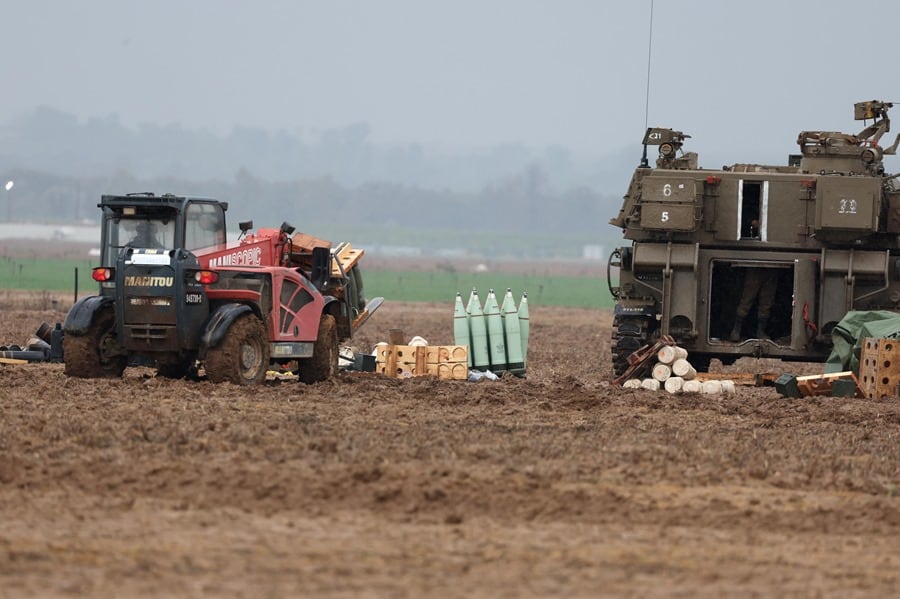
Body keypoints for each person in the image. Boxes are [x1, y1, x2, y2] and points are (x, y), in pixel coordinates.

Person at [729, 268, 778, 341]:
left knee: (766, 302)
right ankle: (736, 330)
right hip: (755, 267)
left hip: (772, 268)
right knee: (747, 299)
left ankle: (760, 331)